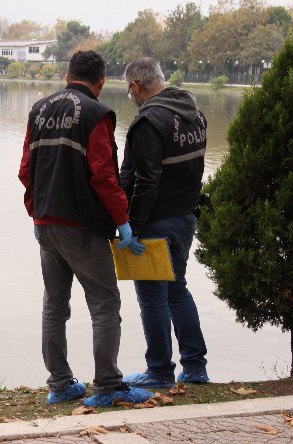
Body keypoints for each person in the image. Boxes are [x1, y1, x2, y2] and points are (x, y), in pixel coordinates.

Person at [18, 50, 151, 407]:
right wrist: (123, 223)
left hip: (46, 224)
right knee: (105, 304)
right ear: (102, 81)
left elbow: (26, 171)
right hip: (81, 227)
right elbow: (105, 176)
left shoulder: (39, 110)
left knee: (54, 306)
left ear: (66, 76)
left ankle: (60, 384)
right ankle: (107, 385)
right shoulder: (97, 114)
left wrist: (36, 213)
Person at [120, 57, 210, 389]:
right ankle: (195, 368)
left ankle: (158, 371)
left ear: (136, 87)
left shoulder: (149, 122)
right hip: (185, 217)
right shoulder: (195, 115)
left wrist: (133, 225)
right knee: (177, 291)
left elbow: (146, 180)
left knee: (152, 296)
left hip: (155, 222)